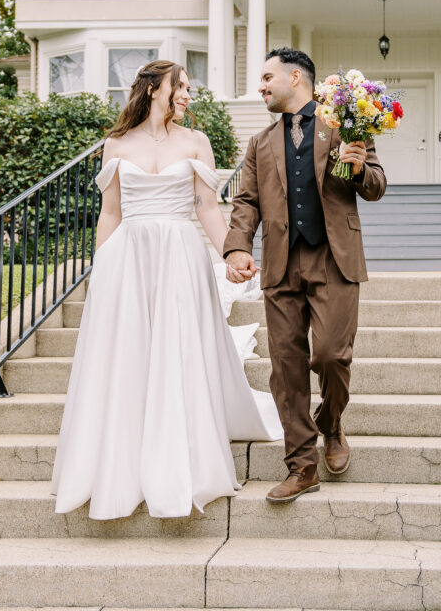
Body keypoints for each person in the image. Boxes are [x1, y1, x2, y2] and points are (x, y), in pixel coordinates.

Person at [50, 60, 281, 521]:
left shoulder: (196, 142)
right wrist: (100, 269)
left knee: (177, 353)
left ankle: (180, 461)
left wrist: (232, 255)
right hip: (128, 260)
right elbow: (111, 214)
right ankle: (124, 459)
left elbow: (208, 208)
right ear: (156, 88)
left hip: (180, 255)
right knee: (131, 355)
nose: (188, 95)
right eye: (182, 86)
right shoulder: (116, 143)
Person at [224, 48, 386, 503]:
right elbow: (247, 202)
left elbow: (376, 185)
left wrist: (357, 168)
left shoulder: (346, 124)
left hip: (334, 257)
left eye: (266, 77)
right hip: (280, 262)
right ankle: (301, 465)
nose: (260, 86)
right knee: (287, 368)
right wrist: (237, 247)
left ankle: (331, 422)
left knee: (332, 355)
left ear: (296, 78)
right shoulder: (259, 143)